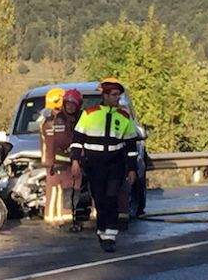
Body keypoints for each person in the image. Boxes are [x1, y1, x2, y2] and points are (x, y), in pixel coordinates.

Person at [70, 77, 139, 252]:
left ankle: (110, 235)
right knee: (99, 199)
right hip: (94, 164)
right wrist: (75, 162)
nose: (117, 98)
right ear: (106, 95)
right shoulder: (89, 114)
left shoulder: (124, 117)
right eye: (114, 94)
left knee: (111, 198)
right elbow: (77, 140)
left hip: (115, 164)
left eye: (118, 95)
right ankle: (102, 230)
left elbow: (131, 146)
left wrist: (132, 169)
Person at [40, 88, 83, 230]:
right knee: (60, 191)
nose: (70, 106)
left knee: (67, 191)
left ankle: (64, 218)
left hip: (68, 163)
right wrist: (51, 162)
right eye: (67, 103)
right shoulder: (57, 121)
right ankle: (59, 219)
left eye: (73, 104)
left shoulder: (73, 119)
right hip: (60, 163)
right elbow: (58, 141)